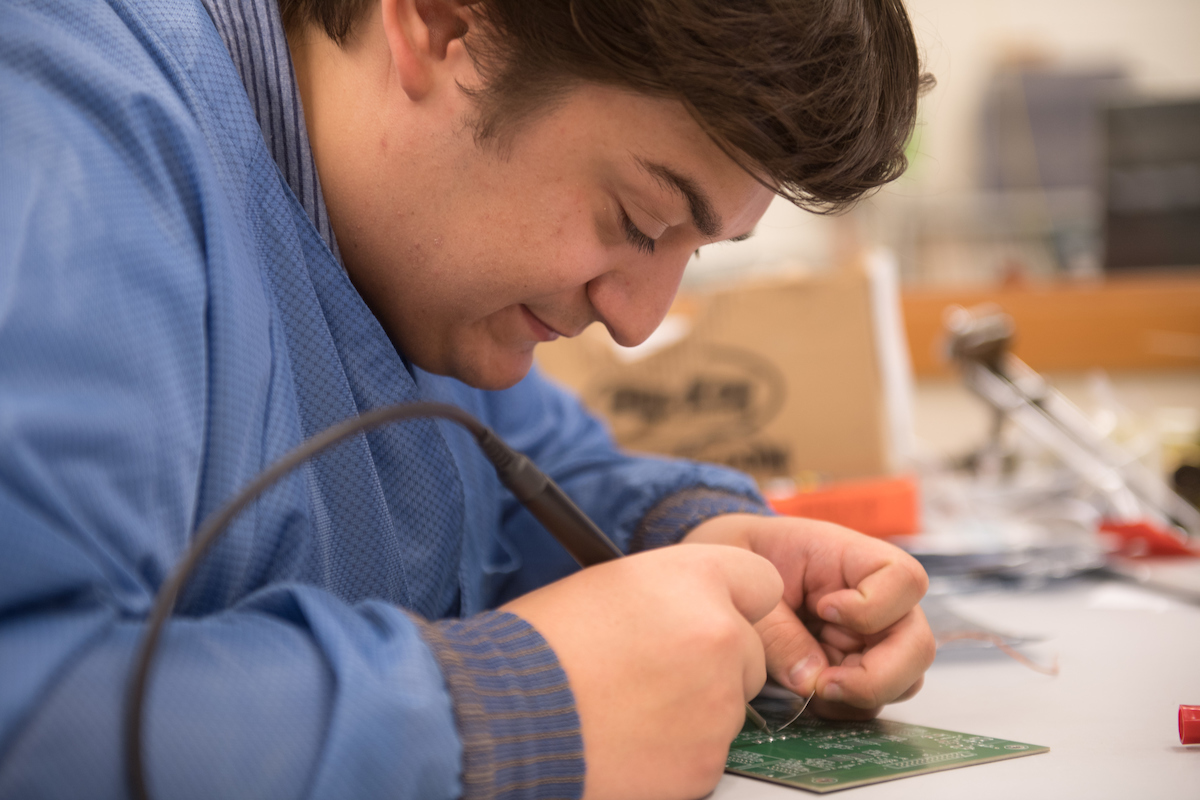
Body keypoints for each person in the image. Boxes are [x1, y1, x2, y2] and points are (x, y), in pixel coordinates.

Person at [0, 0, 935, 798]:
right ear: (443, 25)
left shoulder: (410, 259)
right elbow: (28, 704)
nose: (640, 322)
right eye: (639, 221)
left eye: (696, 249)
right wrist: (499, 713)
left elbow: (529, 475)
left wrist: (694, 547)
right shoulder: (59, 133)